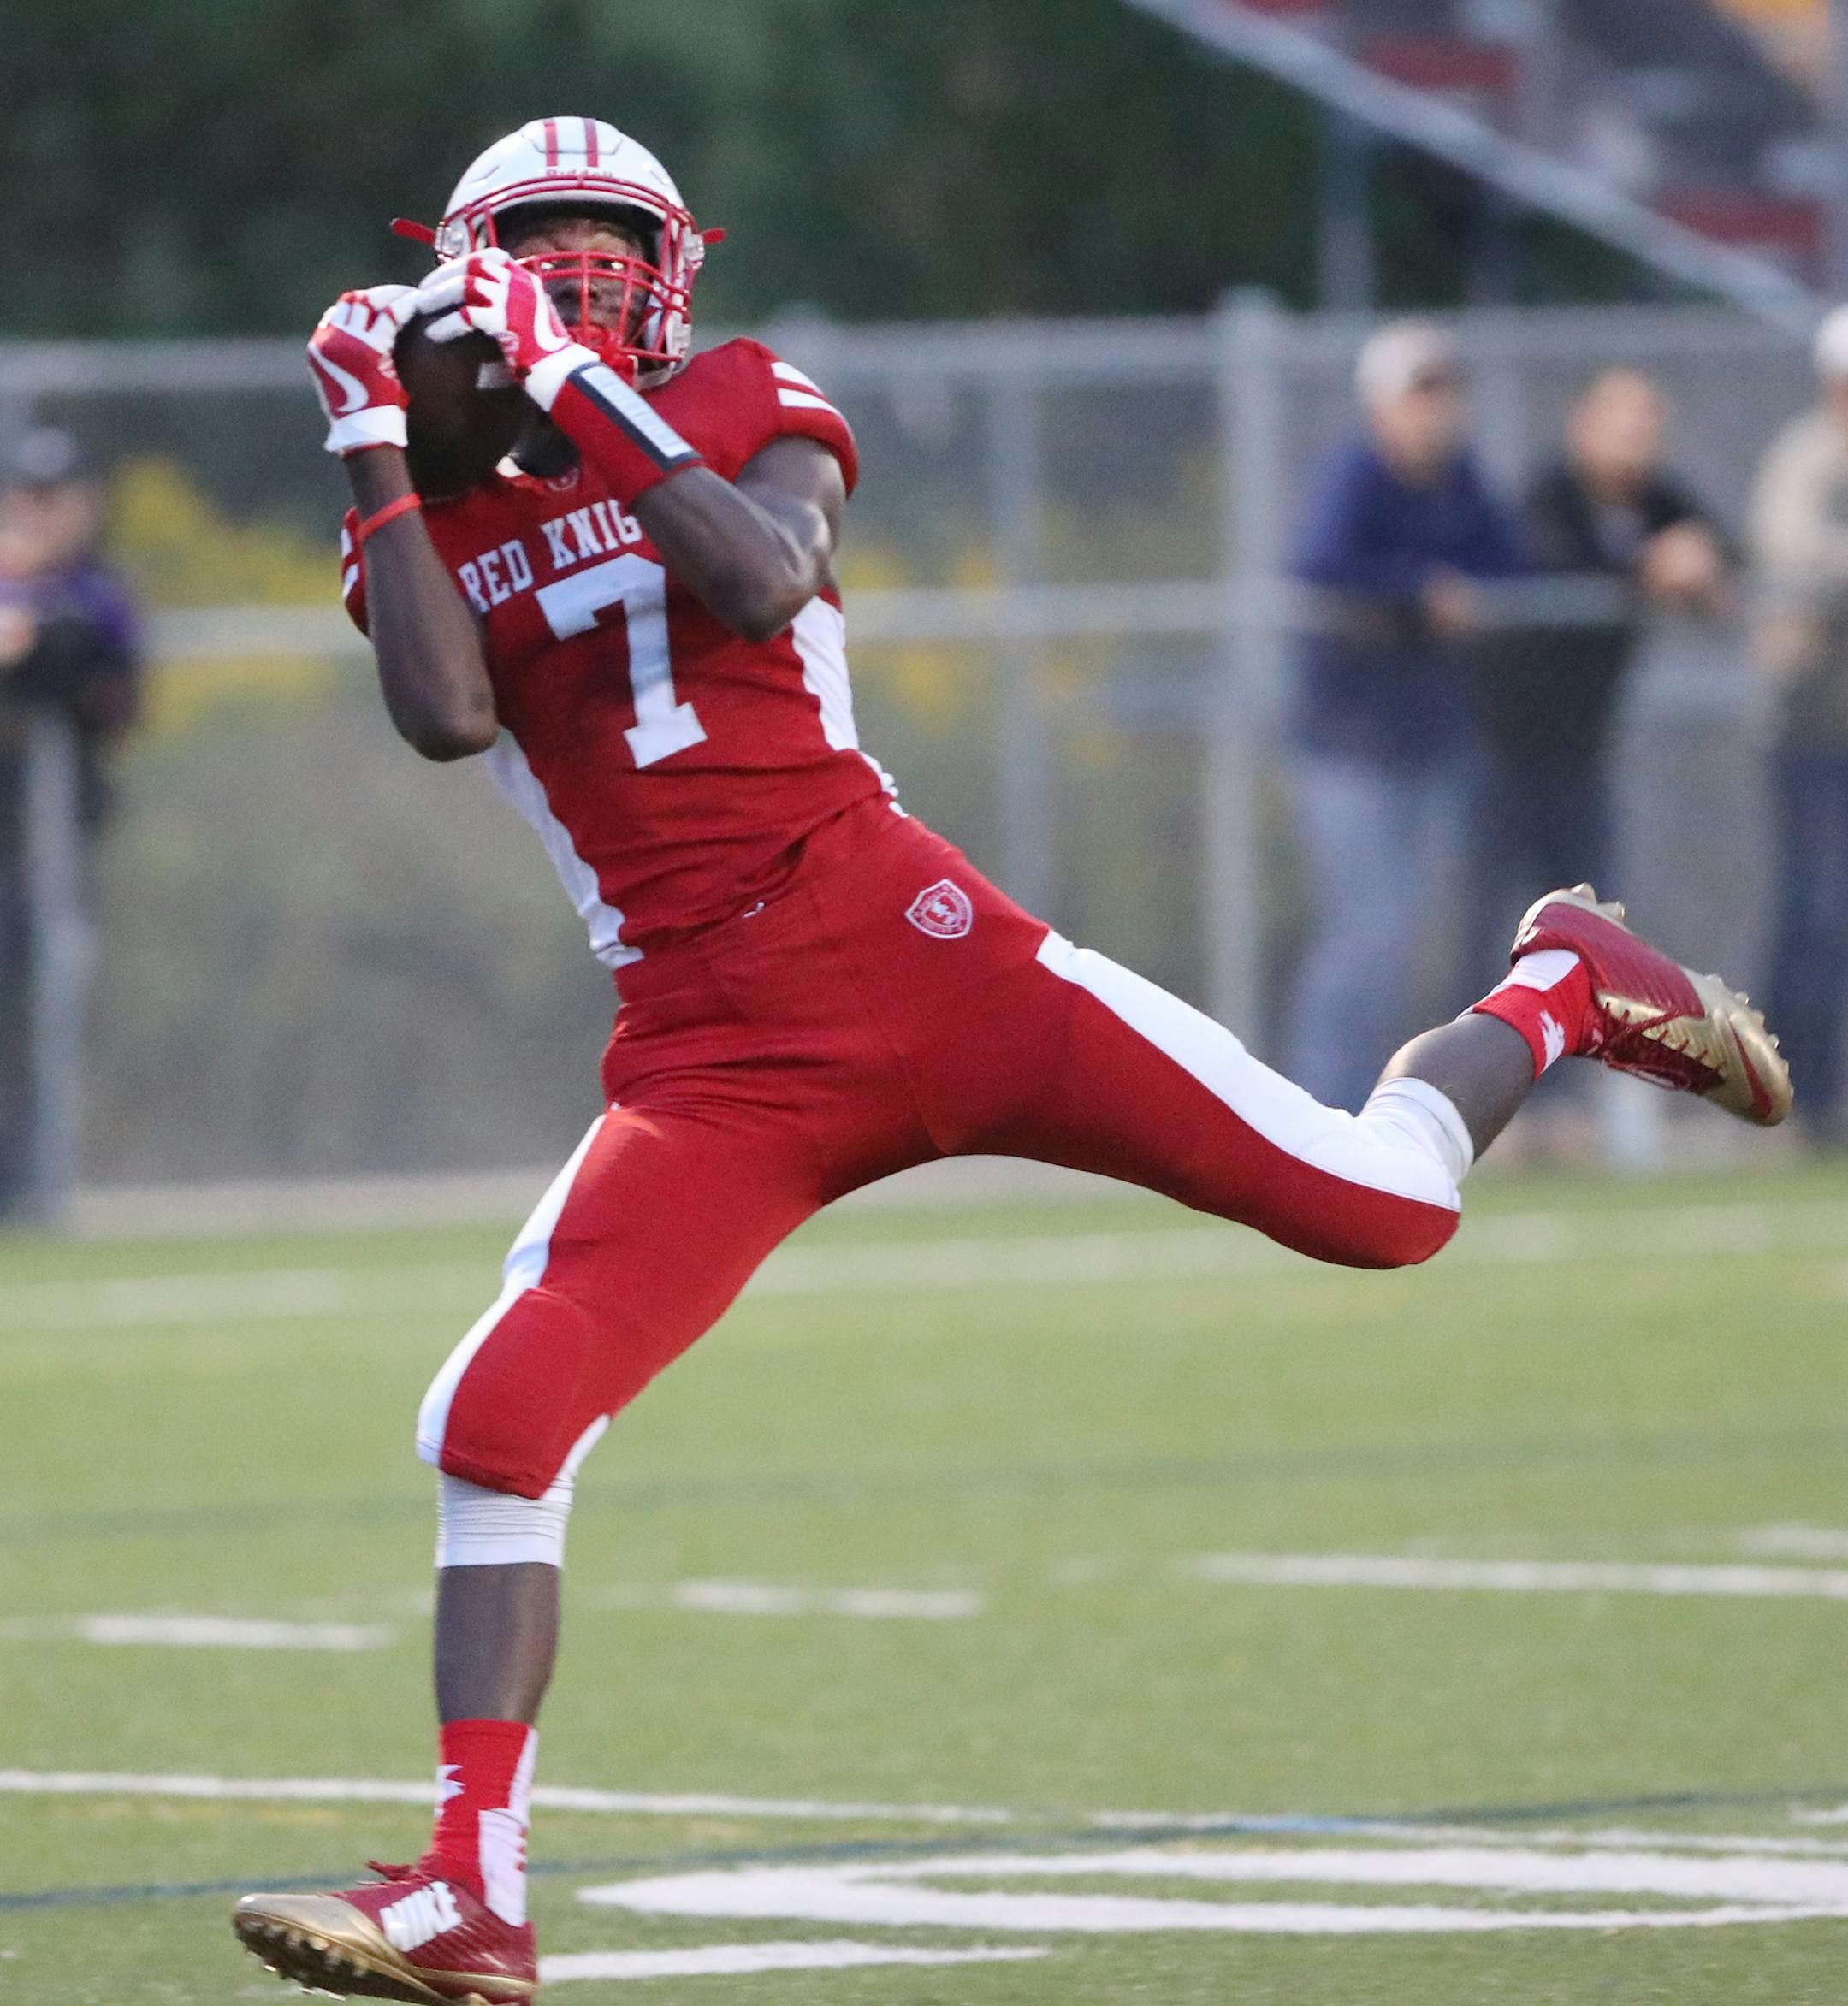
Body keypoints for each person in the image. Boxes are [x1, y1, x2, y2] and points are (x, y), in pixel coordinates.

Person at [234, 119, 1791, 2004]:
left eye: (601, 240)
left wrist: (576, 388)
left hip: (911, 942)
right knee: (496, 1416)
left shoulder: (744, 395)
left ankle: (1557, 978)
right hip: (711, 1046)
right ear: (453, 280)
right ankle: (471, 1892)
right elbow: (439, 712)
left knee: (1383, 1207)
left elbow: (756, 575)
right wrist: (372, 448)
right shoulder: (429, 495)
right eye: (536, 246)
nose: (573, 271)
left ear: (669, 264)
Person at [1284, 319, 1528, 1115]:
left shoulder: (1458, 481)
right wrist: (1418, 587)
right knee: (1367, 934)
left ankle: (1379, 1099)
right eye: (1418, 393)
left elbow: (1509, 559)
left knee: (1405, 934)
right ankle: (1320, 1101)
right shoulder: (1357, 476)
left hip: (1427, 744)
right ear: (1381, 405)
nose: (1435, 411)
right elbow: (1321, 562)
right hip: (1349, 747)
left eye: (1443, 392)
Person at [1465, 368, 1732, 989]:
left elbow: (1719, 545)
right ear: (1583, 424)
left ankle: (1580, 1076)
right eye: (1622, 425)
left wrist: (1701, 560)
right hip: (1500, 746)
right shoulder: (1549, 493)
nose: (1636, 441)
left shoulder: (1654, 499)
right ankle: (1462, 1076)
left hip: (1583, 749)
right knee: (1488, 925)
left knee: (1587, 926)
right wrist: (1648, 568)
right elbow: (1554, 564)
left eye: (1648, 428)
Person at [0, 428, 140, 1216]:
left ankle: (35, 1178)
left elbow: (109, 685)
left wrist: (34, 632)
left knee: (43, 1000)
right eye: (28, 498)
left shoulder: (95, 593)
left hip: (49, 851)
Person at [1750, 305, 1848, 1145]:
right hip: (1816, 725)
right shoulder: (1807, 461)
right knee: (1816, 911)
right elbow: (1799, 558)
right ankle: (1797, 1096)